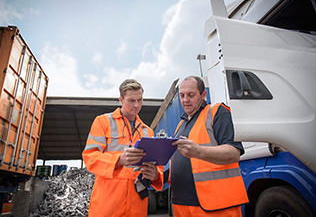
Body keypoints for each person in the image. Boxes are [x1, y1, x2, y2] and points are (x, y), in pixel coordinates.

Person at [82, 79, 163, 217]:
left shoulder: (147, 131)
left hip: (137, 206)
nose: (136, 105)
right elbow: (90, 157)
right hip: (107, 205)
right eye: (131, 100)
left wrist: (155, 175)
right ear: (121, 99)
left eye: (140, 100)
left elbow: (157, 166)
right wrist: (119, 160)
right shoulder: (103, 122)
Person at [170, 76, 249, 216]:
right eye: (182, 95)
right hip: (181, 204)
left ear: (203, 95)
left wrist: (198, 151)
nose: (185, 100)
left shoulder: (217, 112)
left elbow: (233, 153)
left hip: (216, 204)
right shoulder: (180, 125)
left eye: (191, 95)